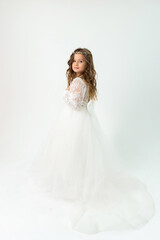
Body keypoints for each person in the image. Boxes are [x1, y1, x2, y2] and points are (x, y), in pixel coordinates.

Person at [29, 48, 155, 234]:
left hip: (75, 121)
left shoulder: (78, 81)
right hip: (81, 121)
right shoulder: (84, 81)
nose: (76, 64)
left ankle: (73, 184)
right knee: (78, 153)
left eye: (81, 61)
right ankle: (77, 181)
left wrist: (65, 93)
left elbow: (76, 104)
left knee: (71, 150)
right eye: (74, 61)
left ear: (87, 64)